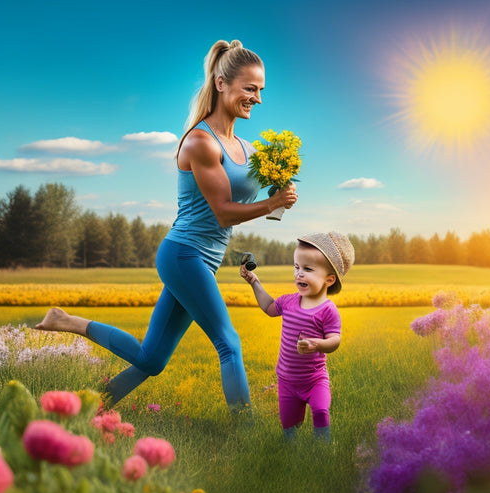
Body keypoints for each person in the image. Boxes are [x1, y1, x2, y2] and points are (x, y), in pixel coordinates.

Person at [35, 39, 298, 415]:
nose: (257, 97)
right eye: (250, 88)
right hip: (183, 254)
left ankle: (86, 400)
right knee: (229, 343)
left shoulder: (245, 146)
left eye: (260, 90)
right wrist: (271, 204)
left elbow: (249, 193)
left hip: (203, 260)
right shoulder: (200, 142)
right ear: (222, 83)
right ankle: (247, 435)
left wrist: (278, 187)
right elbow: (224, 212)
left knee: (152, 359)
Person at [240, 231, 354, 440]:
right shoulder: (288, 301)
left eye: (307, 269)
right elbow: (268, 307)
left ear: (329, 279)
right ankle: (292, 453)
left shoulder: (328, 310)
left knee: (320, 410)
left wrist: (317, 344)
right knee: (290, 426)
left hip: (315, 379)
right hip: (287, 379)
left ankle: (322, 447)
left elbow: (335, 340)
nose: (299, 274)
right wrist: (254, 282)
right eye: (297, 267)